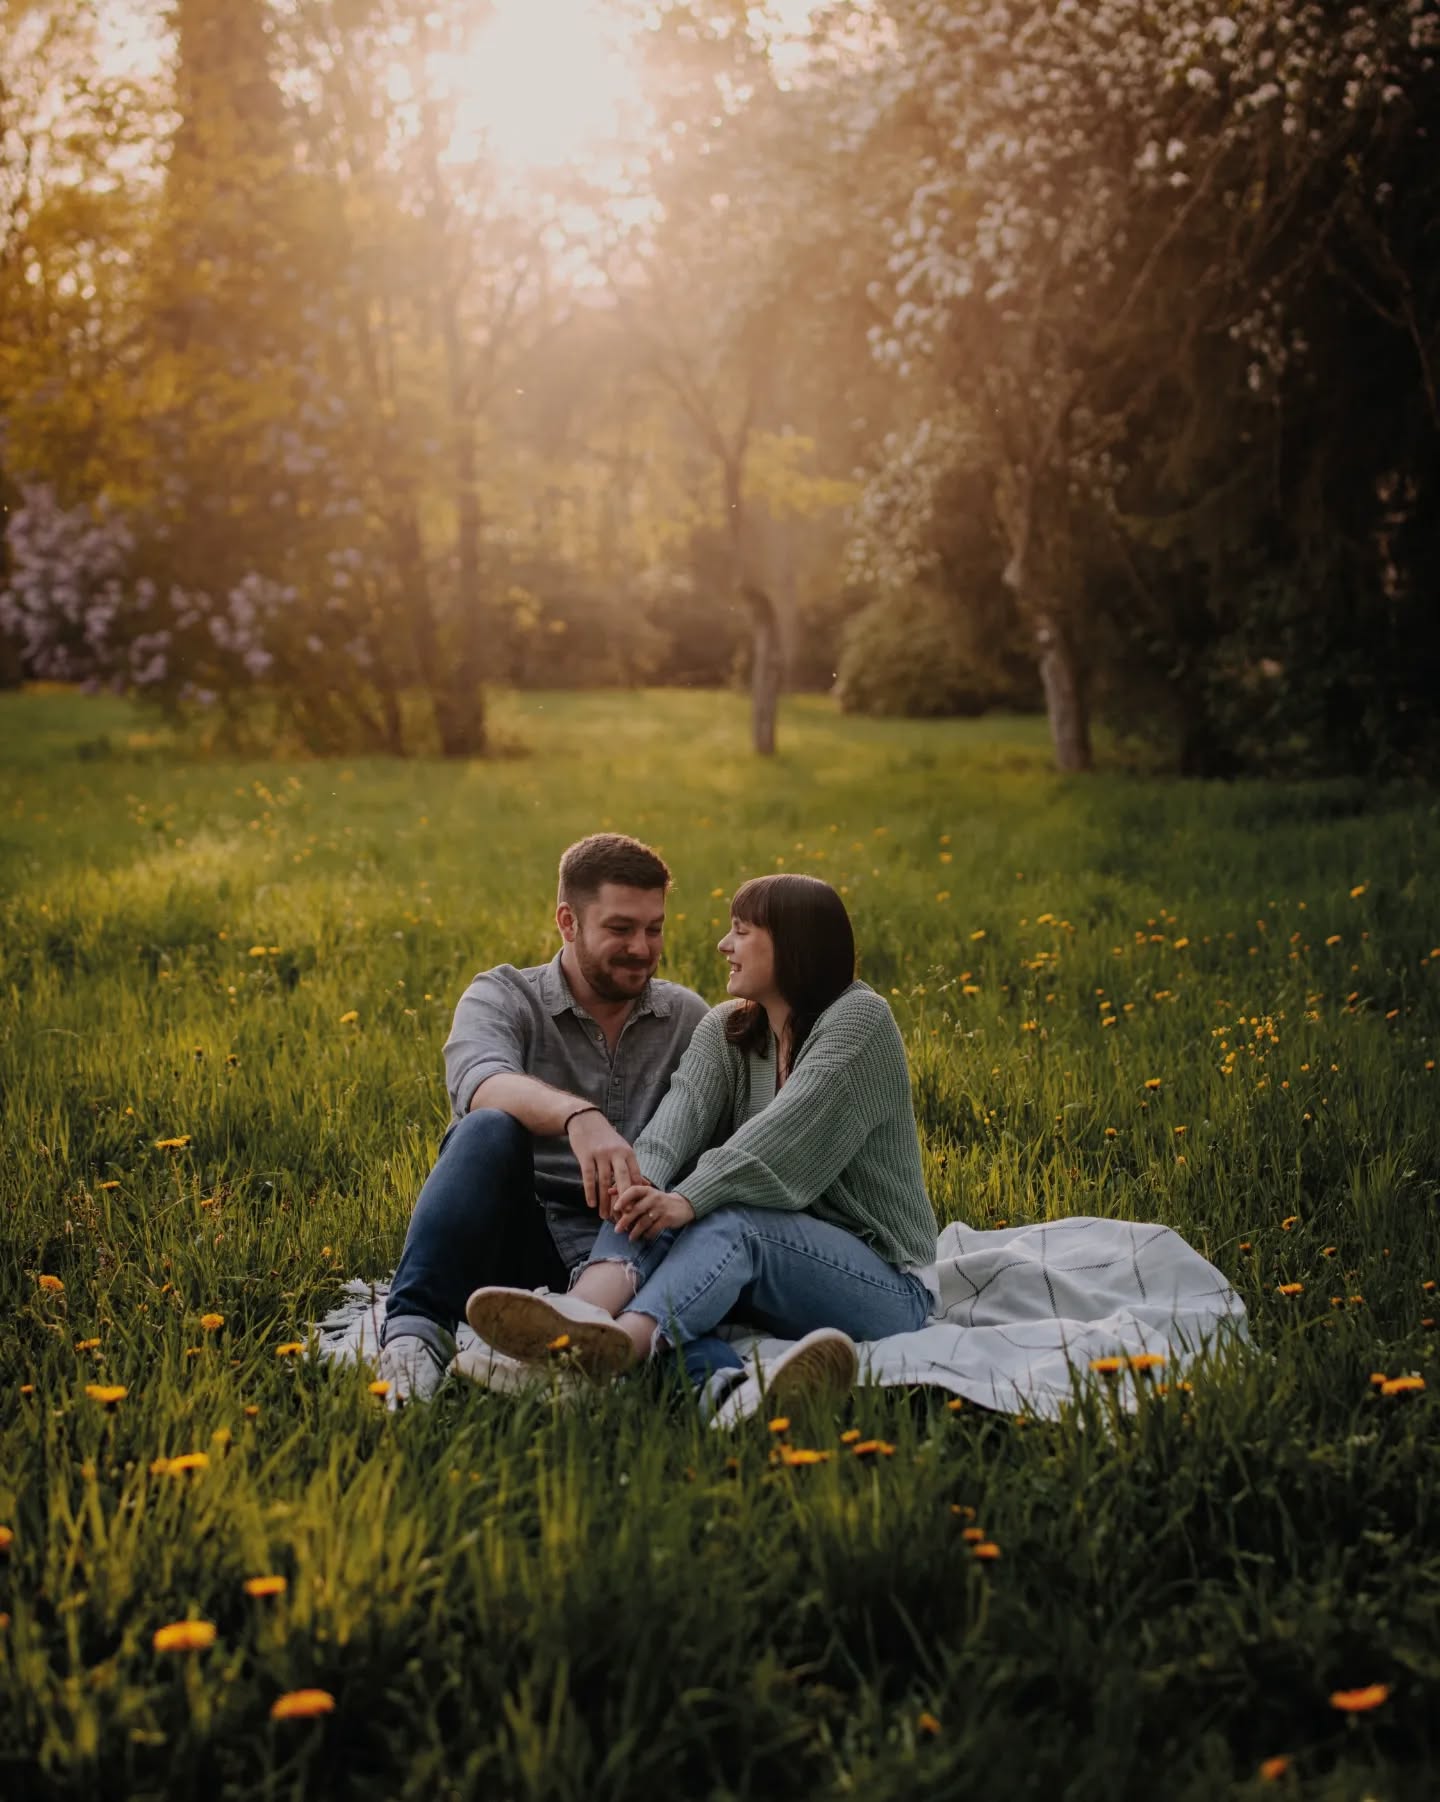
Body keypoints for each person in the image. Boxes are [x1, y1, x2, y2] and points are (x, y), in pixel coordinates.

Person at [466, 874, 940, 1423]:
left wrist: (686, 1201)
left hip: (885, 1283)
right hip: (782, 1275)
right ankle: (574, 1319)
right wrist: (642, 1187)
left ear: (792, 943)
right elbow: (674, 1125)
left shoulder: (859, 1020)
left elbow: (782, 1139)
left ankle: (608, 1356)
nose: (723, 944)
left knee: (731, 1220)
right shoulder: (729, 1028)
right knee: (650, 1194)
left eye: (741, 931)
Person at [376, 833, 709, 1405]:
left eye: (654, 929)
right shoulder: (504, 995)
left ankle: (636, 1361)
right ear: (568, 922)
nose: (641, 948)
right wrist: (577, 1115)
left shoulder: (686, 1018)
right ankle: (414, 1341)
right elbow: (480, 1081)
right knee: (486, 1127)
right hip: (521, 1240)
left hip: (635, 1249)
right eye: (620, 928)